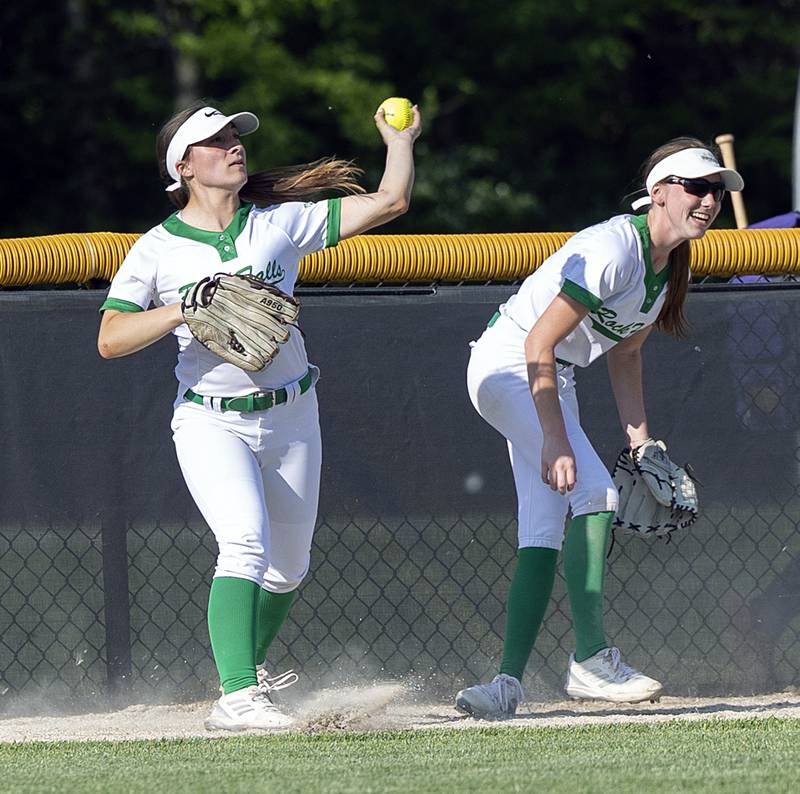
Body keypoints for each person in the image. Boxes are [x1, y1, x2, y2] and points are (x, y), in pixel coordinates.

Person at [97, 98, 421, 730]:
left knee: (288, 565)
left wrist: (399, 140)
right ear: (184, 167)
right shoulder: (158, 250)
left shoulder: (276, 224)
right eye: (215, 142)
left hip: (294, 412)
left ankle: (248, 678)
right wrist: (184, 308)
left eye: (235, 137)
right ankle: (238, 695)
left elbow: (389, 203)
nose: (233, 146)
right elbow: (110, 337)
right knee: (243, 542)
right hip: (211, 419)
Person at [455, 137, 744, 719]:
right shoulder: (614, 248)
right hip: (510, 364)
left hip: (548, 377)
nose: (708, 200)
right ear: (658, 194)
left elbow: (626, 355)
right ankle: (591, 660)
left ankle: (505, 686)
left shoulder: (664, 268)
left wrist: (642, 440)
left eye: (715, 190)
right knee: (595, 492)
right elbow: (539, 341)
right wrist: (555, 437)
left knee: (542, 529)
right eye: (696, 187)